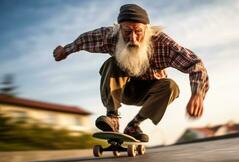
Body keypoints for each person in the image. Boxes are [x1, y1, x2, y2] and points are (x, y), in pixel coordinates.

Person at [53, 4, 209, 142]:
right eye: (127, 32)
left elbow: (195, 64)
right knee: (113, 62)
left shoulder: (163, 44)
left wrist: (198, 94)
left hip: (149, 93)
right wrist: (65, 51)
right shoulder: (109, 36)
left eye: (138, 32)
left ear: (147, 30)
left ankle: (134, 126)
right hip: (122, 89)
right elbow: (84, 40)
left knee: (171, 86)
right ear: (119, 29)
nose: (133, 39)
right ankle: (113, 117)